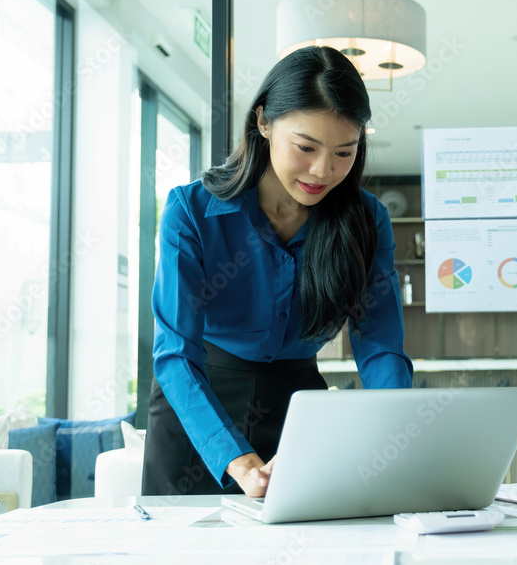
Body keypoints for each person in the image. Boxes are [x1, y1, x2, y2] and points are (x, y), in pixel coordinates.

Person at [142, 46, 413, 497]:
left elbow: (381, 345)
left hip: (298, 413)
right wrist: (239, 461)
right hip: (198, 411)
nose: (323, 171)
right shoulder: (190, 211)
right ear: (264, 122)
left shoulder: (368, 221)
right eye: (306, 147)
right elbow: (175, 354)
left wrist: (396, 429)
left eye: (344, 152)